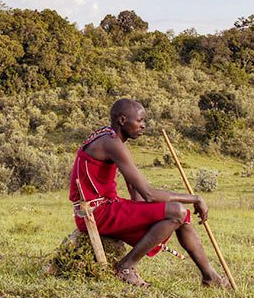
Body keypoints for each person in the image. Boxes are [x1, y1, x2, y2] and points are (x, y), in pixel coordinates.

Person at [71, 98, 231, 288]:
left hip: (106, 207)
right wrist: (195, 198)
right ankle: (125, 267)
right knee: (177, 211)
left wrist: (148, 215)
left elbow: (135, 190)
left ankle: (210, 277)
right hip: (95, 212)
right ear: (123, 120)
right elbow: (148, 194)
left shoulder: (109, 137)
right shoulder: (111, 143)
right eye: (139, 121)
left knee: (182, 217)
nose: (143, 126)